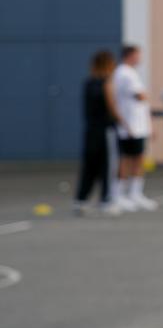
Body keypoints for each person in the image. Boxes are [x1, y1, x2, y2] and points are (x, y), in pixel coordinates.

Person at [73, 50, 122, 216]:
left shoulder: (88, 83)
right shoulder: (107, 83)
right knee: (107, 166)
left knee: (89, 166)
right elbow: (112, 107)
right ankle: (106, 201)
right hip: (105, 130)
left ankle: (80, 200)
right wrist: (124, 123)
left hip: (90, 130)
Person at [113, 44, 157, 211]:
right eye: (138, 55)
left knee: (138, 159)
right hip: (129, 125)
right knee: (126, 160)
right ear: (130, 55)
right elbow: (140, 96)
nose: (140, 58)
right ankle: (119, 194)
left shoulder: (131, 73)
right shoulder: (124, 73)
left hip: (138, 125)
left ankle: (135, 193)